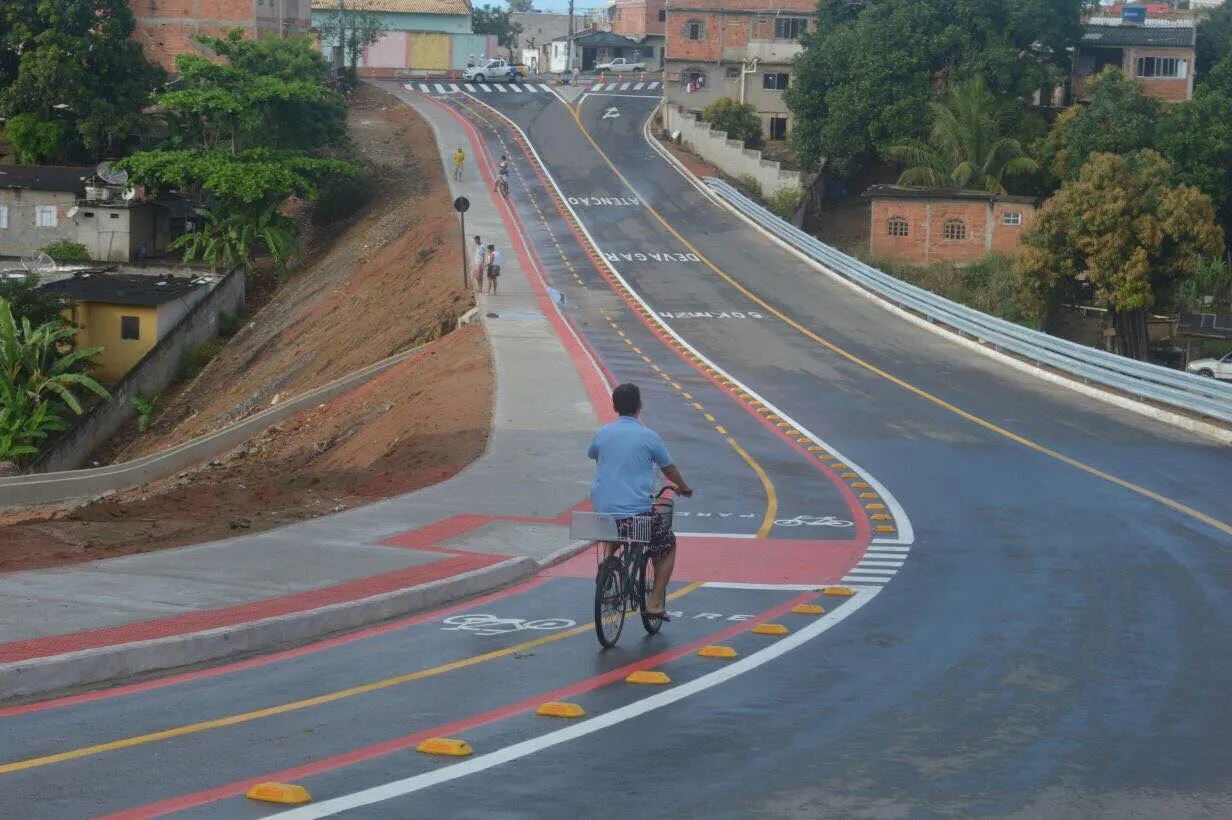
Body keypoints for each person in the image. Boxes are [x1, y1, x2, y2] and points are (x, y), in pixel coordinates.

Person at [587, 383, 693, 619]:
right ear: (639, 406)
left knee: (616, 530)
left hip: (603, 511)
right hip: (635, 514)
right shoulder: (648, 437)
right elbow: (669, 469)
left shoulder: (602, 433)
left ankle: (609, 564)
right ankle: (655, 603)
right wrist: (684, 488)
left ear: (614, 406)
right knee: (667, 544)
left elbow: (593, 454)